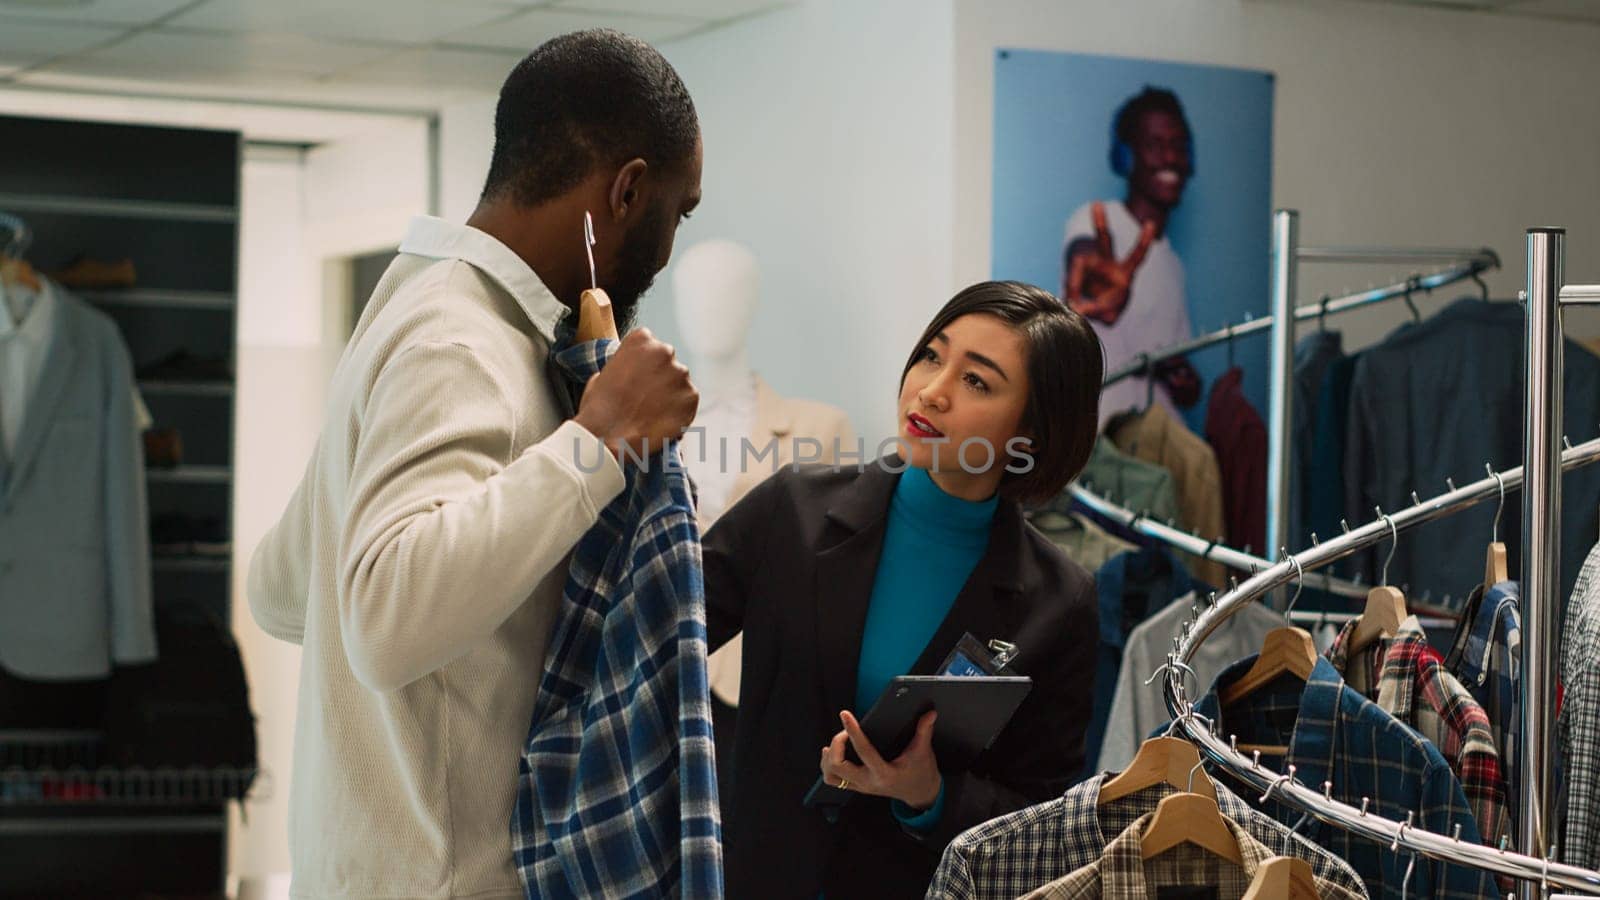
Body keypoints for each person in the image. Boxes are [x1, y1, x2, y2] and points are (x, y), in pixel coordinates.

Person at [246, 31, 701, 900]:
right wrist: (595, 443)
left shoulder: (415, 309)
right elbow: (384, 624)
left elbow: (280, 587)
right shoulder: (461, 343)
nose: (671, 242)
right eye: (679, 211)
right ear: (628, 190)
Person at [702, 281, 1102, 899]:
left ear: (1032, 433)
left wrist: (931, 795)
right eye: (932, 355)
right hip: (758, 876)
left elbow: (1045, 822)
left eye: (977, 382)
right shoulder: (794, 511)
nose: (932, 391)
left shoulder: (1058, 601)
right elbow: (661, 634)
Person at [1062, 85, 1200, 426]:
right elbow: (1084, 260)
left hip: (1161, 434)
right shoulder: (1096, 221)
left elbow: (1183, 381)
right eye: (1155, 145)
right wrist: (1094, 291)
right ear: (1125, 156)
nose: (1170, 158)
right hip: (1104, 436)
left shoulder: (1173, 264)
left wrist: (1185, 380)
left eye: (1178, 146)